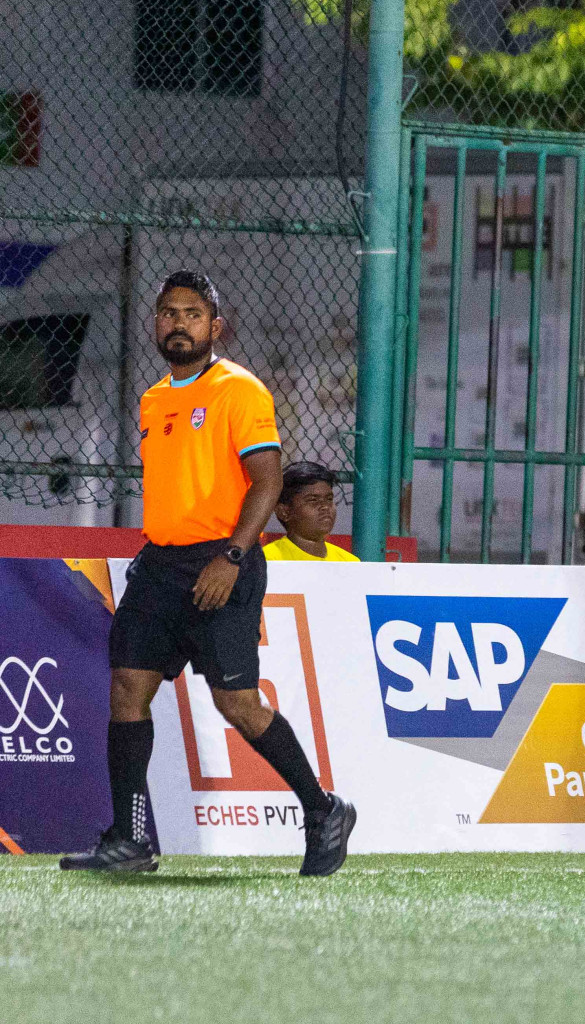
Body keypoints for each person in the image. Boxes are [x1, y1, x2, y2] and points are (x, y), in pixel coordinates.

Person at [60, 270, 356, 876]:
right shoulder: (152, 398)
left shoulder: (239, 390)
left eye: (192, 314)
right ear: (156, 324)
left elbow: (268, 481)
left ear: (214, 326)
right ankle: (131, 839)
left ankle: (323, 808)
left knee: (238, 703)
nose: (178, 323)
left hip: (225, 561)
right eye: (168, 313)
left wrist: (233, 556)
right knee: (127, 689)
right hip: (161, 566)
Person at [263, 462, 361, 562]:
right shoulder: (269, 560)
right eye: (313, 500)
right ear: (284, 512)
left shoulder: (349, 562)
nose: (325, 506)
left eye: (329, 499)